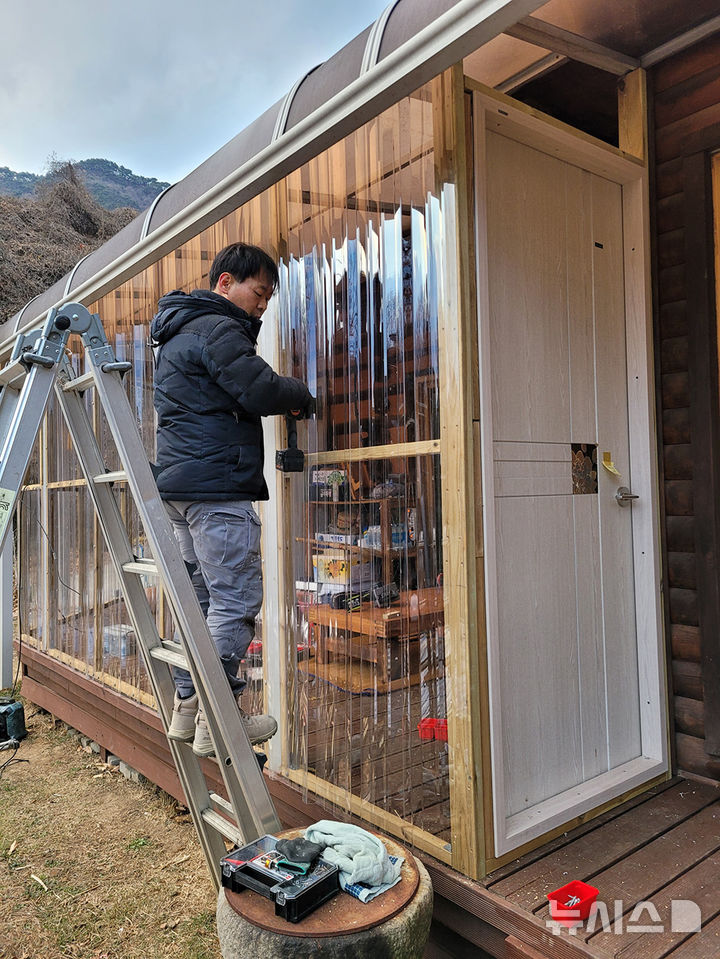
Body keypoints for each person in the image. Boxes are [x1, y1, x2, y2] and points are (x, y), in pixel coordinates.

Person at [151, 242, 313, 757]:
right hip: (216, 489)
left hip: (181, 490)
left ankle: (188, 709)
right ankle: (220, 719)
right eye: (258, 293)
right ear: (225, 282)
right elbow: (259, 389)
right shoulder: (216, 327)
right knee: (236, 600)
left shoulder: (176, 332)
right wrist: (301, 395)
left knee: (202, 601)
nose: (262, 306)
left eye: (268, 299)